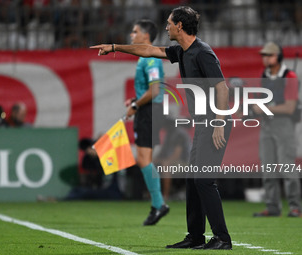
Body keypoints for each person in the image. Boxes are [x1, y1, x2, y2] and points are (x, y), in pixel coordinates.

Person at [91, 6, 232, 250]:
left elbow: (222, 88)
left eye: (169, 23)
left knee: (204, 180)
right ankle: (196, 236)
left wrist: (218, 123)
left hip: (215, 122)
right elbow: (148, 50)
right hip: (202, 124)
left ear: (180, 26)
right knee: (192, 180)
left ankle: (222, 239)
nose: (165, 27)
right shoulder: (182, 51)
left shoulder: (203, 53)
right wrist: (115, 47)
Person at [124, 19, 169, 226]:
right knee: (143, 158)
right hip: (149, 109)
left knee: (144, 158)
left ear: (146, 35)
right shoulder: (145, 57)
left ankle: (159, 204)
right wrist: (135, 101)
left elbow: (155, 91)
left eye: (135, 32)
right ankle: (156, 204)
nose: (131, 35)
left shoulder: (150, 59)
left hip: (150, 110)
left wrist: (135, 105)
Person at [252, 42, 302, 218]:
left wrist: (264, 108)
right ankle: (272, 207)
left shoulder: (290, 76)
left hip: (284, 125)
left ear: (278, 57)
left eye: (269, 55)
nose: (265, 58)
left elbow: (289, 107)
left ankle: (295, 207)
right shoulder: (264, 75)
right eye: (264, 55)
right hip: (267, 125)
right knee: (268, 168)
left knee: (287, 166)